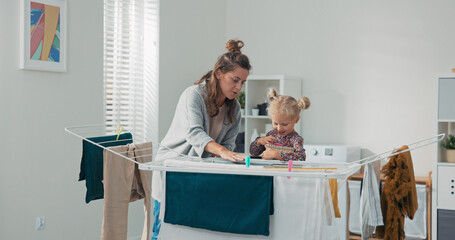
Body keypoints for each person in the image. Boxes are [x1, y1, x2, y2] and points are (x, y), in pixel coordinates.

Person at [151, 39, 251, 239]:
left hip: (199, 172)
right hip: (172, 169)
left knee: (192, 231)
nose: (239, 87)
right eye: (235, 79)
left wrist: (229, 158)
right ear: (219, 73)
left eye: (243, 82)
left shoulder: (235, 108)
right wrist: (224, 152)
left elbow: (228, 145)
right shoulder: (193, 95)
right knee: (161, 231)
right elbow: (195, 133)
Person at [249, 88, 310, 161]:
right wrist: (259, 141)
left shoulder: (295, 139)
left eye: (284, 124)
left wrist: (277, 155)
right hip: (269, 171)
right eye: (275, 123)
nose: (279, 128)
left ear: (296, 120)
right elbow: (253, 153)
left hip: (286, 171)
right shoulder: (271, 135)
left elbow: (301, 157)